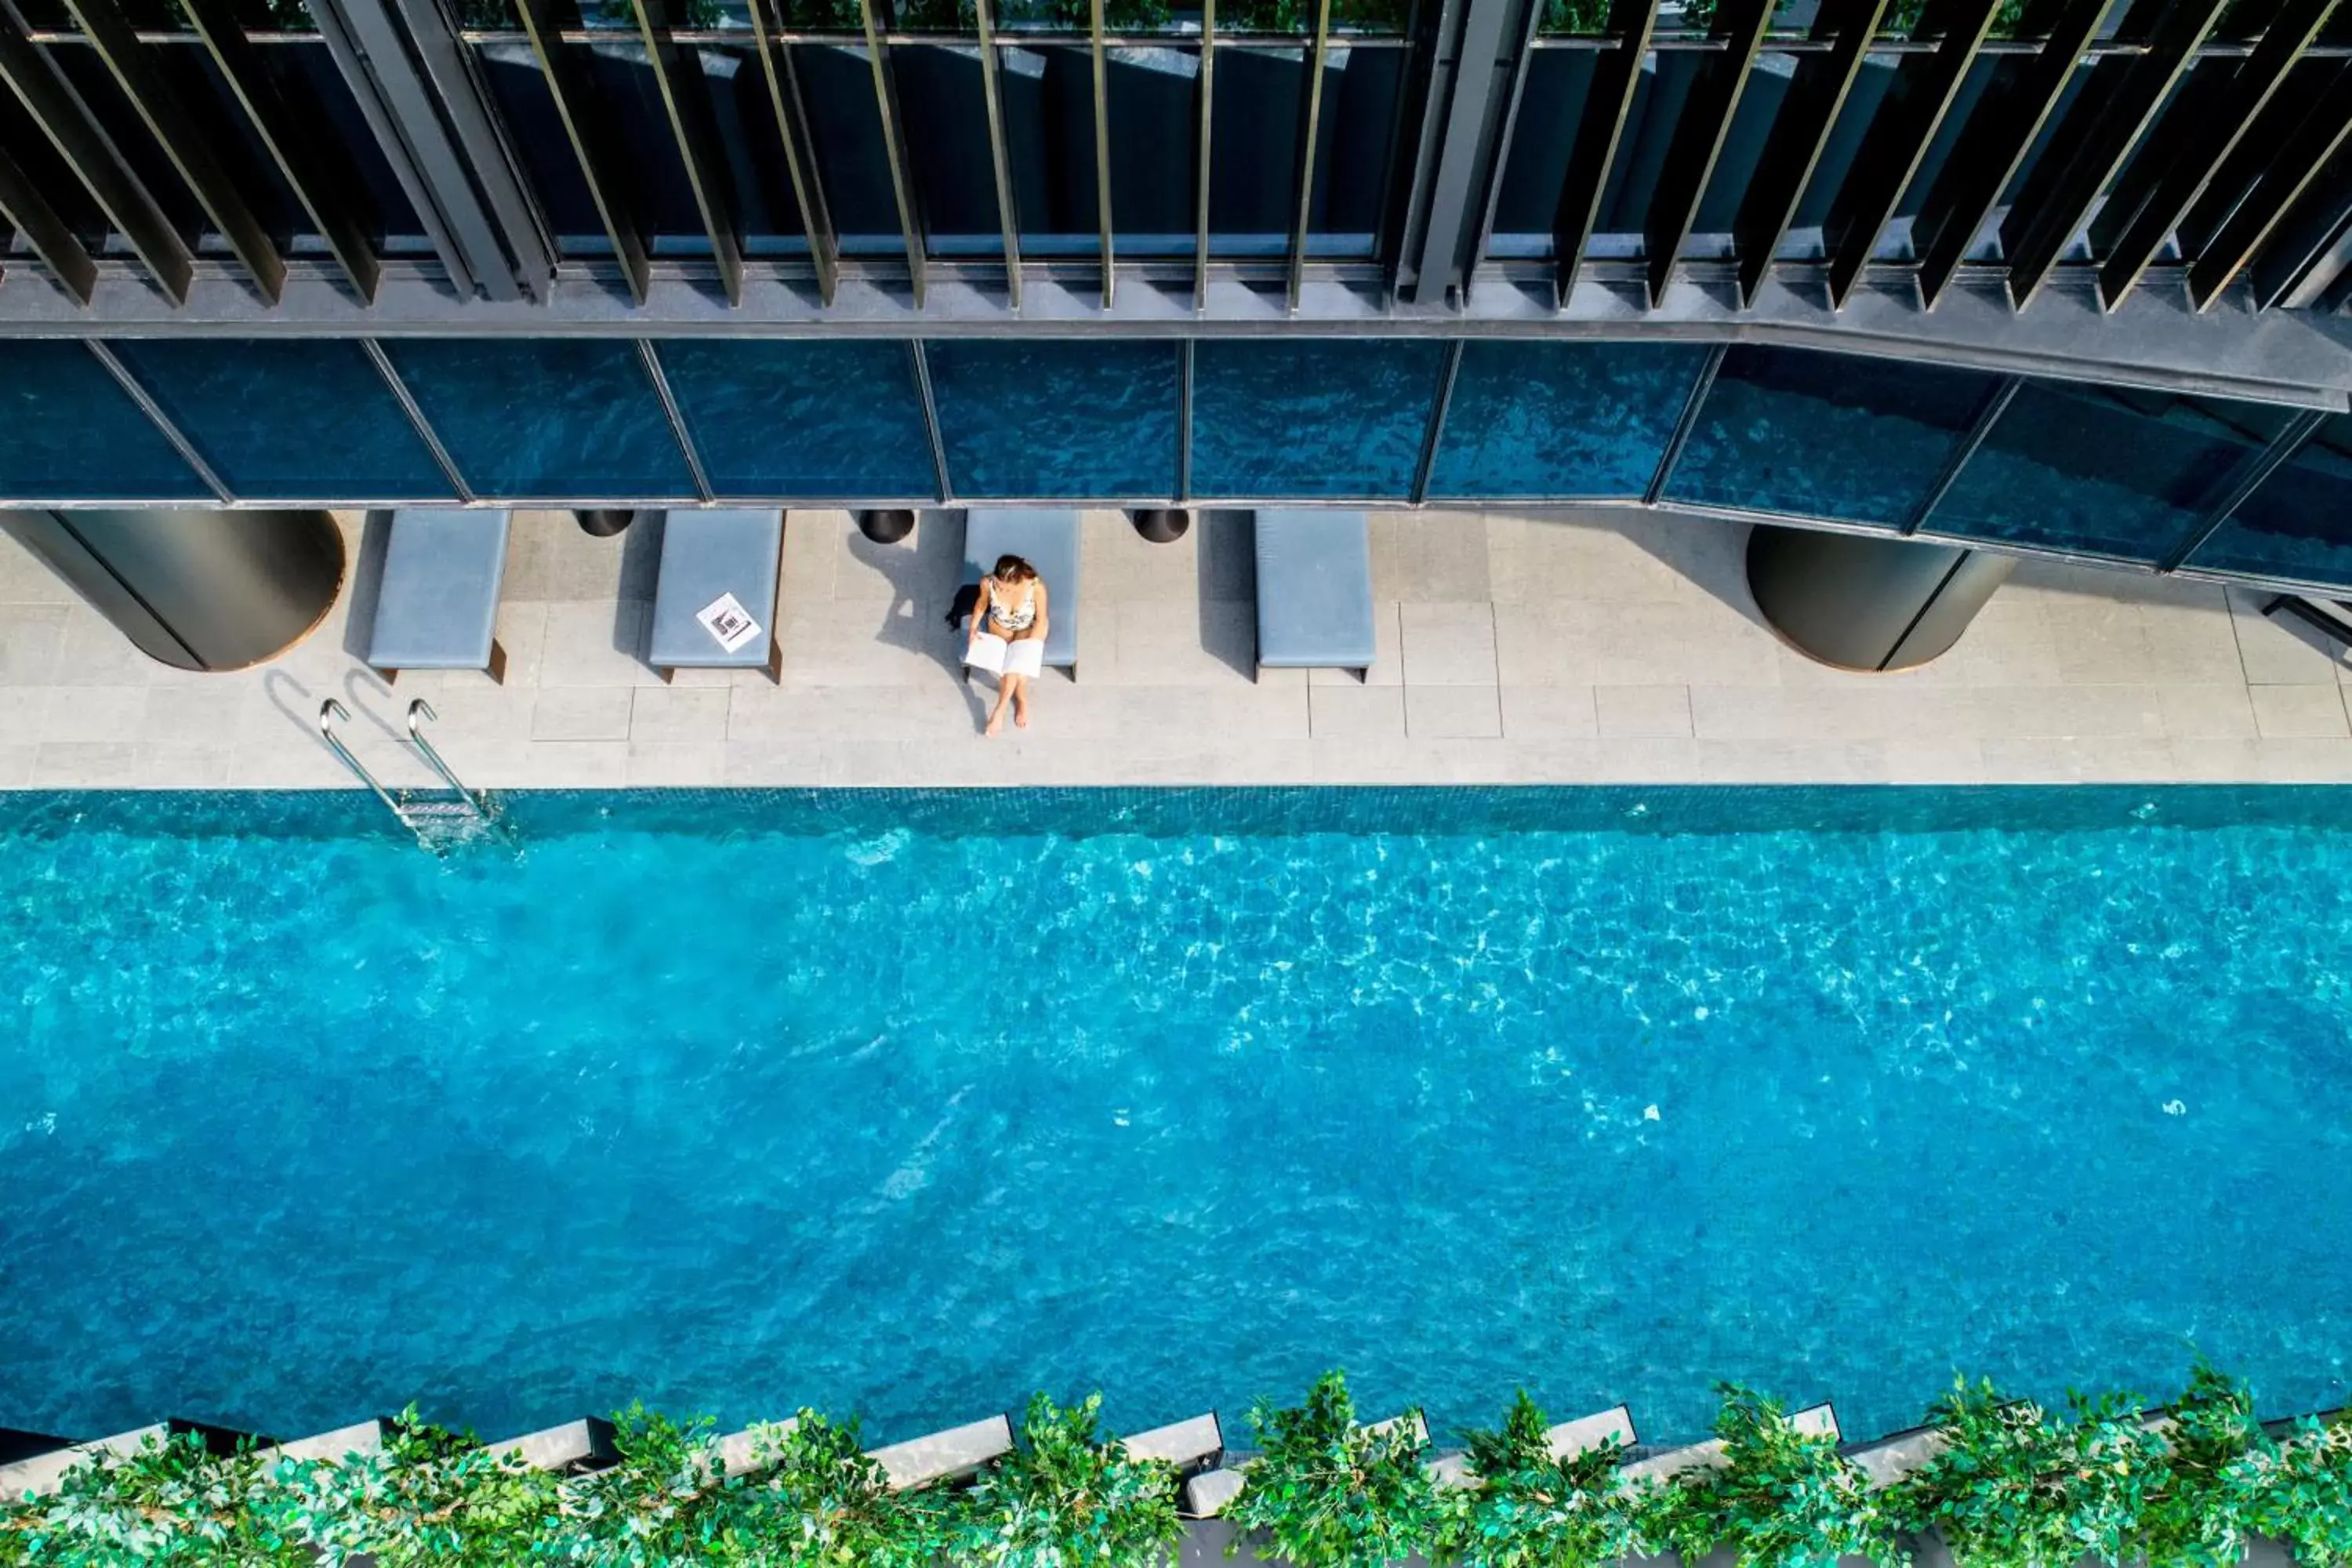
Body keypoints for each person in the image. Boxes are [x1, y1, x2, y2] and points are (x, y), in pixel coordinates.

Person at [965, 554, 1051, 735]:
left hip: (1029, 627)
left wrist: (1029, 647)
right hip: (1000, 626)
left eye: (1007, 588)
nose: (1001, 591)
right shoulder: (988, 583)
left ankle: (1001, 710)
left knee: (1017, 670)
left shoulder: (1036, 587)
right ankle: (1021, 700)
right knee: (1010, 671)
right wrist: (973, 628)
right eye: (999, 585)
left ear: (1019, 580)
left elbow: (1041, 619)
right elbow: (981, 604)